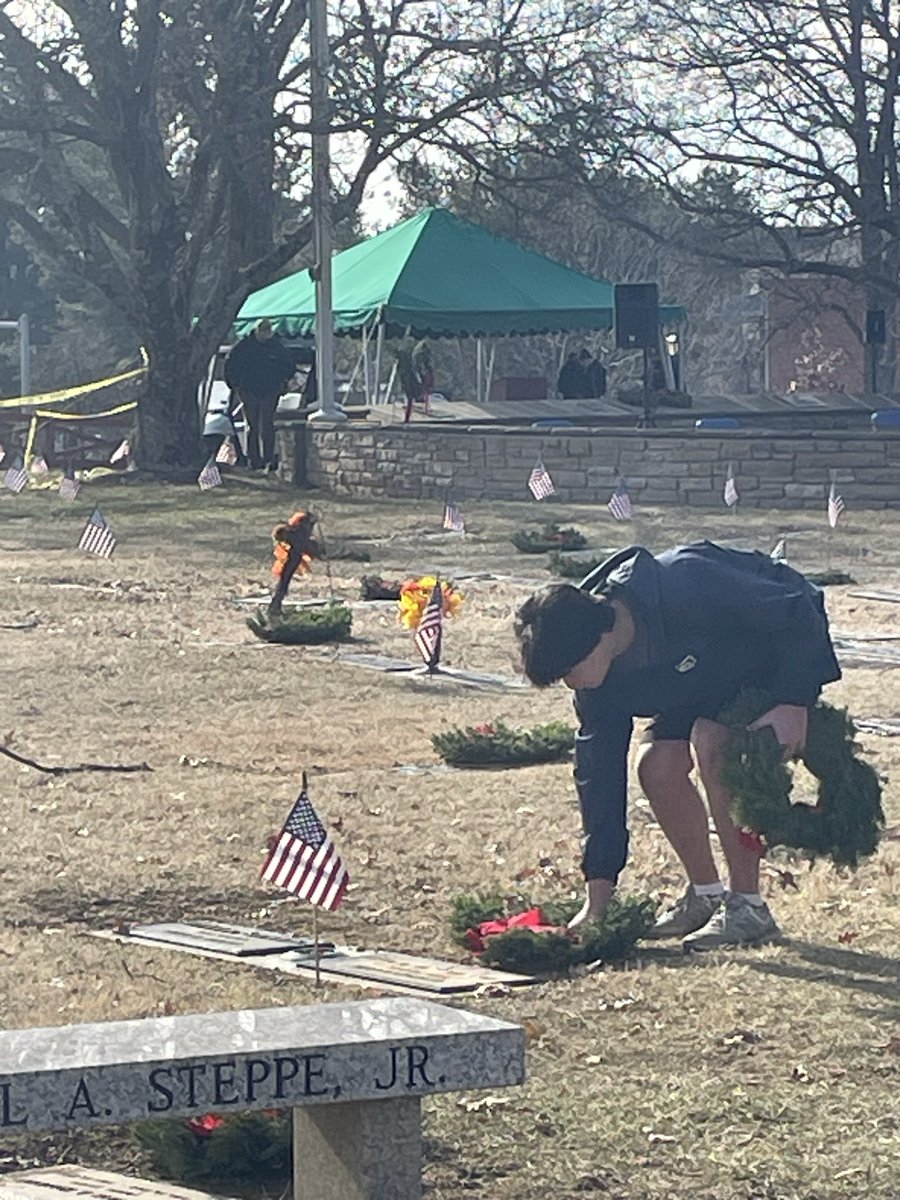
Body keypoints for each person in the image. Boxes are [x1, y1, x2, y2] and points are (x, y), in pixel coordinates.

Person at [514, 541, 842, 950]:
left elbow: (794, 608)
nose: (568, 682)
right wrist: (597, 901)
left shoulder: (687, 581)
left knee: (713, 741)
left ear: (599, 636)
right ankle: (706, 894)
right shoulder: (598, 683)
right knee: (656, 766)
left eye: (568, 670)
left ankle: (748, 908)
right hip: (693, 678)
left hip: (764, 655)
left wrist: (795, 699)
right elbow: (599, 777)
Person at [224, 320, 300, 471]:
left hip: (270, 390)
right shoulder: (243, 346)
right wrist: (236, 386)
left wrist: (283, 381)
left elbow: (289, 365)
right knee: (252, 425)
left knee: (267, 425)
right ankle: (254, 460)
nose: (265, 334)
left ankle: (268, 459)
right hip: (248, 390)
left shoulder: (276, 346)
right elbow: (230, 366)